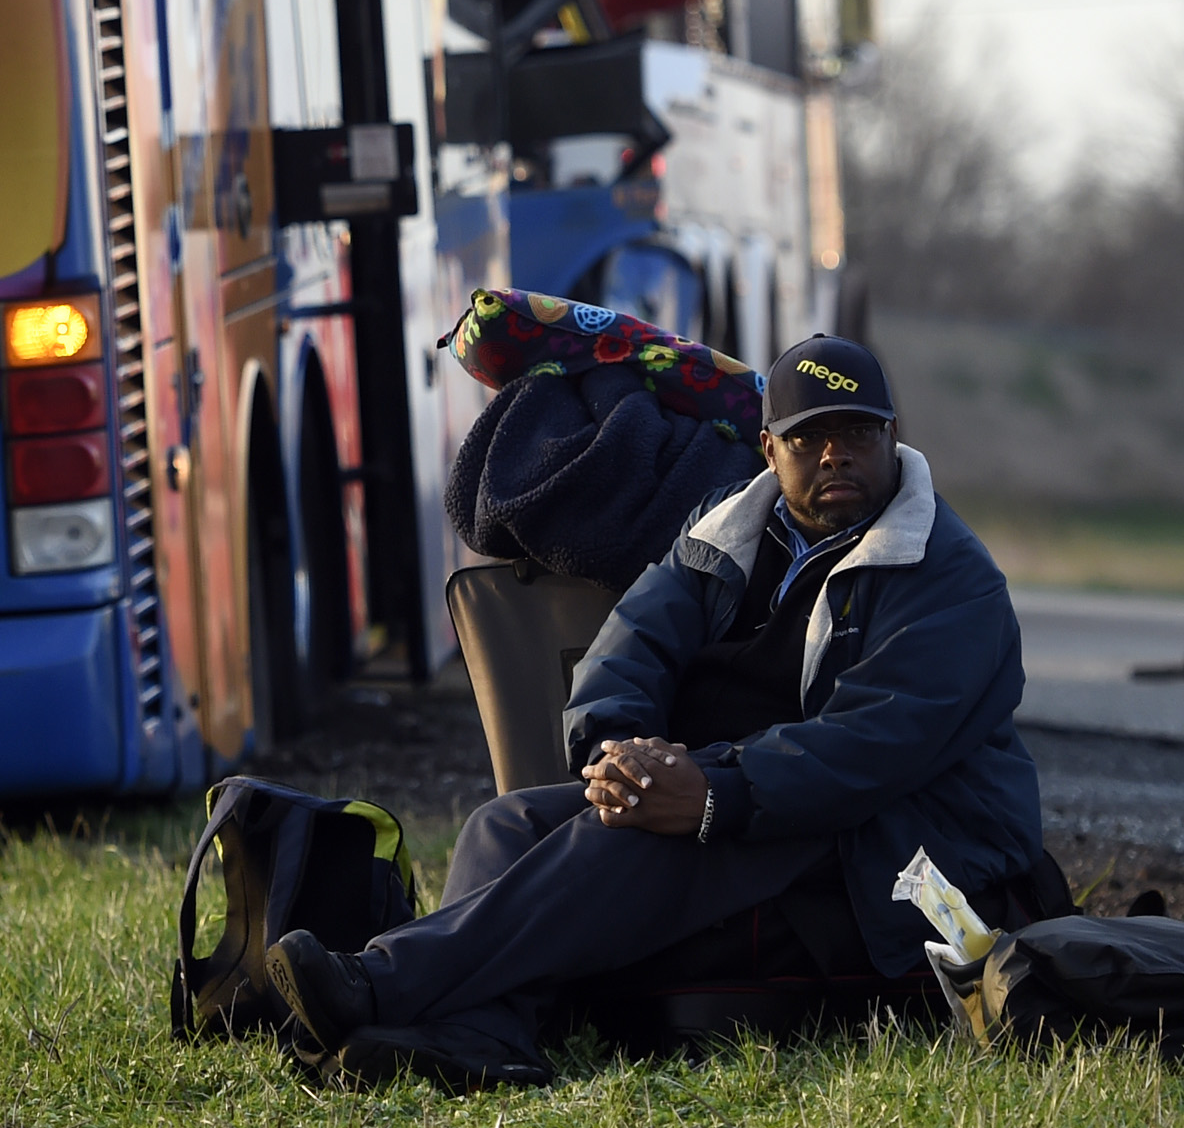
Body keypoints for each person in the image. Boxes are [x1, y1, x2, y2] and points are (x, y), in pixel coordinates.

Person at [264, 334, 1042, 1089]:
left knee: (639, 846)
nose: (833, 454)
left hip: (900, 838)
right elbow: (627, 648)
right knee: (503, 824)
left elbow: (867, 750)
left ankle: (375, 983)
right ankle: (485, 1033)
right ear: (770, 451)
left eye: (855, 433)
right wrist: (619, 753)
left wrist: (708, 791)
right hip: (758, 794)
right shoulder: (724, 528)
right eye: (809, 438)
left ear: (893, 439)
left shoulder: (952, 577)